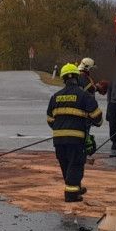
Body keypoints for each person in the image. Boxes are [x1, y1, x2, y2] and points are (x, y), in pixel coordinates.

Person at [47, 63, 104, 202]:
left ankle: (75, 187)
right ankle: (71, 194)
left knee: (66, 165)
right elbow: (98, 118)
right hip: (76, 139)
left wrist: (61, 127)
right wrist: (92, 122)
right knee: (76, 164)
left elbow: (50, 120)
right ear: (77, 78)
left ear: (63, 79)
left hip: (59, 139)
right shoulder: (84, 95)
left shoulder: (55, 97)